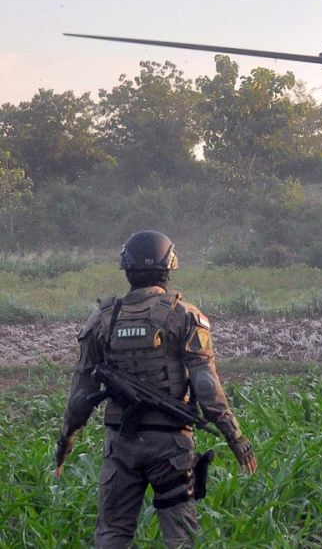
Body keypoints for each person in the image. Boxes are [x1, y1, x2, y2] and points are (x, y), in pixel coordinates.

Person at [54, 230, 257, 548]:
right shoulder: (184, 315)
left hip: (120, 444)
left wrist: (65, 442)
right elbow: (205, 386)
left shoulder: (103, 318)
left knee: (112, 533)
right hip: (171, 445)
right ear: (170, 267)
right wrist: (236, 437)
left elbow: (81, 394)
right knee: (179, 538)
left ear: (127, 269)